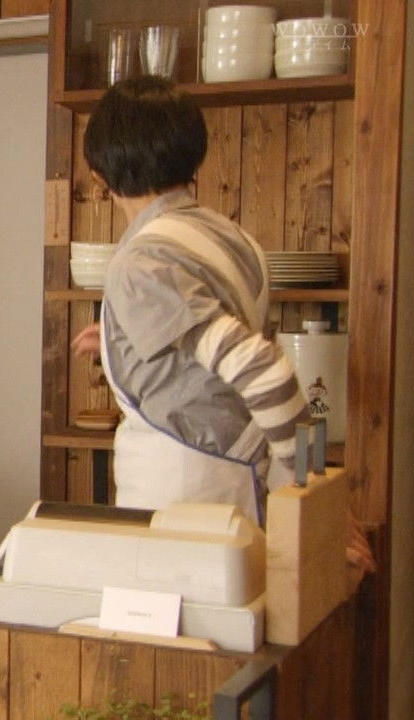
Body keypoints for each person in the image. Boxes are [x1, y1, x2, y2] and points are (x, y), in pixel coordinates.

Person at [70, 78, 372, 578]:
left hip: (186, 503)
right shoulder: (235, 239)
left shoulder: (141, 263)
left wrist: (320, 496)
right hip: (235, 491)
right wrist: (118, 343)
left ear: (100, 174)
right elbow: (210, 358)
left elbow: (264, 371)